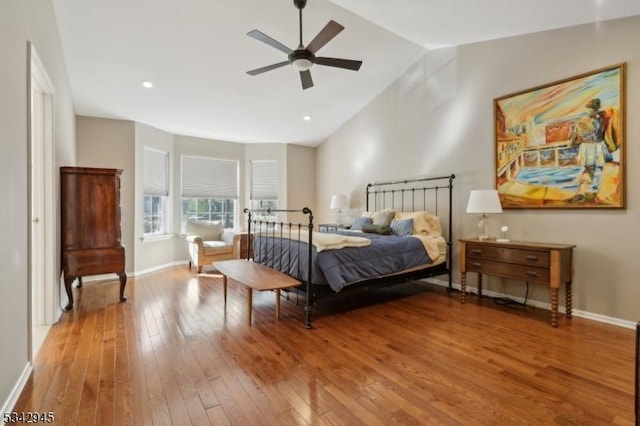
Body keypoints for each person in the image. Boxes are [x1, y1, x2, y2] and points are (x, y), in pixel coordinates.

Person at [570, 98, 619, 202]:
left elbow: (575, 136)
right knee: (606, 167)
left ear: (588, 109)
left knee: (588, 169)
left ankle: (581, 192)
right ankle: (606, 193)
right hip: (599, 146)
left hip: (587, 147)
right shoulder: (602, 117)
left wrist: (572, 143)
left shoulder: (582, 121)